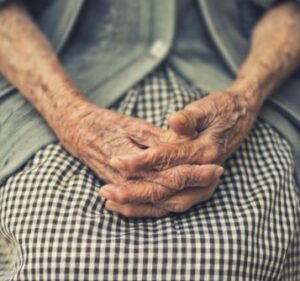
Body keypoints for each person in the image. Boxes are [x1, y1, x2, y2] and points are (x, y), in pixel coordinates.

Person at [0, 0, 299, 280]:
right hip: (51, 88)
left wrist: (245, 100)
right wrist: (71, 116)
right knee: (57, 256)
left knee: (230, 256)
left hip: (241, 83)